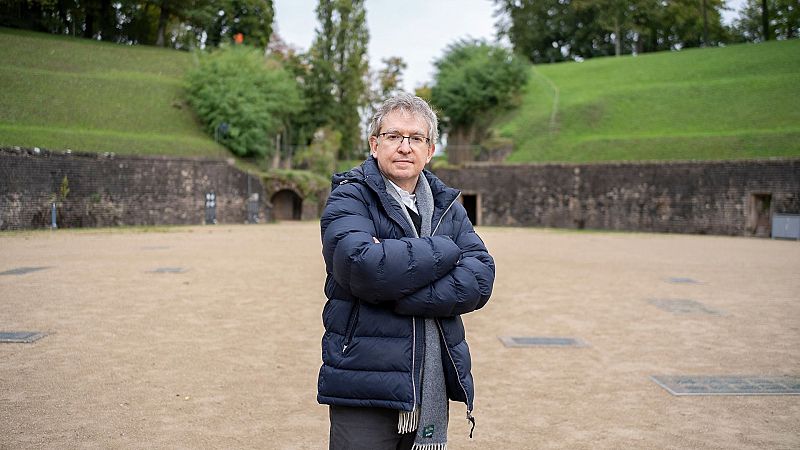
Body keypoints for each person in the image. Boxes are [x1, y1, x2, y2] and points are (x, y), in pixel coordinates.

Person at [317, 93, 496, 450]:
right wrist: (447, 250)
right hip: (363, 376)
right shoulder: (349, 196)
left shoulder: (446, 206)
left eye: (416, 138)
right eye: (393, 136)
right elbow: (363, 267)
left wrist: (398, 287)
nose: (404, 146)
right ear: (374, 144)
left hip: (429, 382)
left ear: (429, 151)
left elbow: (480, 278)